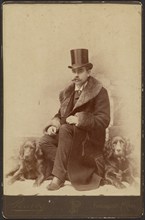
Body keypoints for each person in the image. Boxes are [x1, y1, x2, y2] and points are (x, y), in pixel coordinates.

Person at [39, 48, 110, 191]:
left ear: (88, 72)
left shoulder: (99, 91)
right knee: (45, 140)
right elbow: (60, 114)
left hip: (87, 141)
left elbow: (104, 120)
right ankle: (69, 171)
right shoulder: (68, 92)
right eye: (74, 71)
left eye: (80, 71)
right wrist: (54, 125)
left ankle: (58, 177)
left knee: (65, 129)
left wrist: (80, 120)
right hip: (69, 139)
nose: (76, 75)